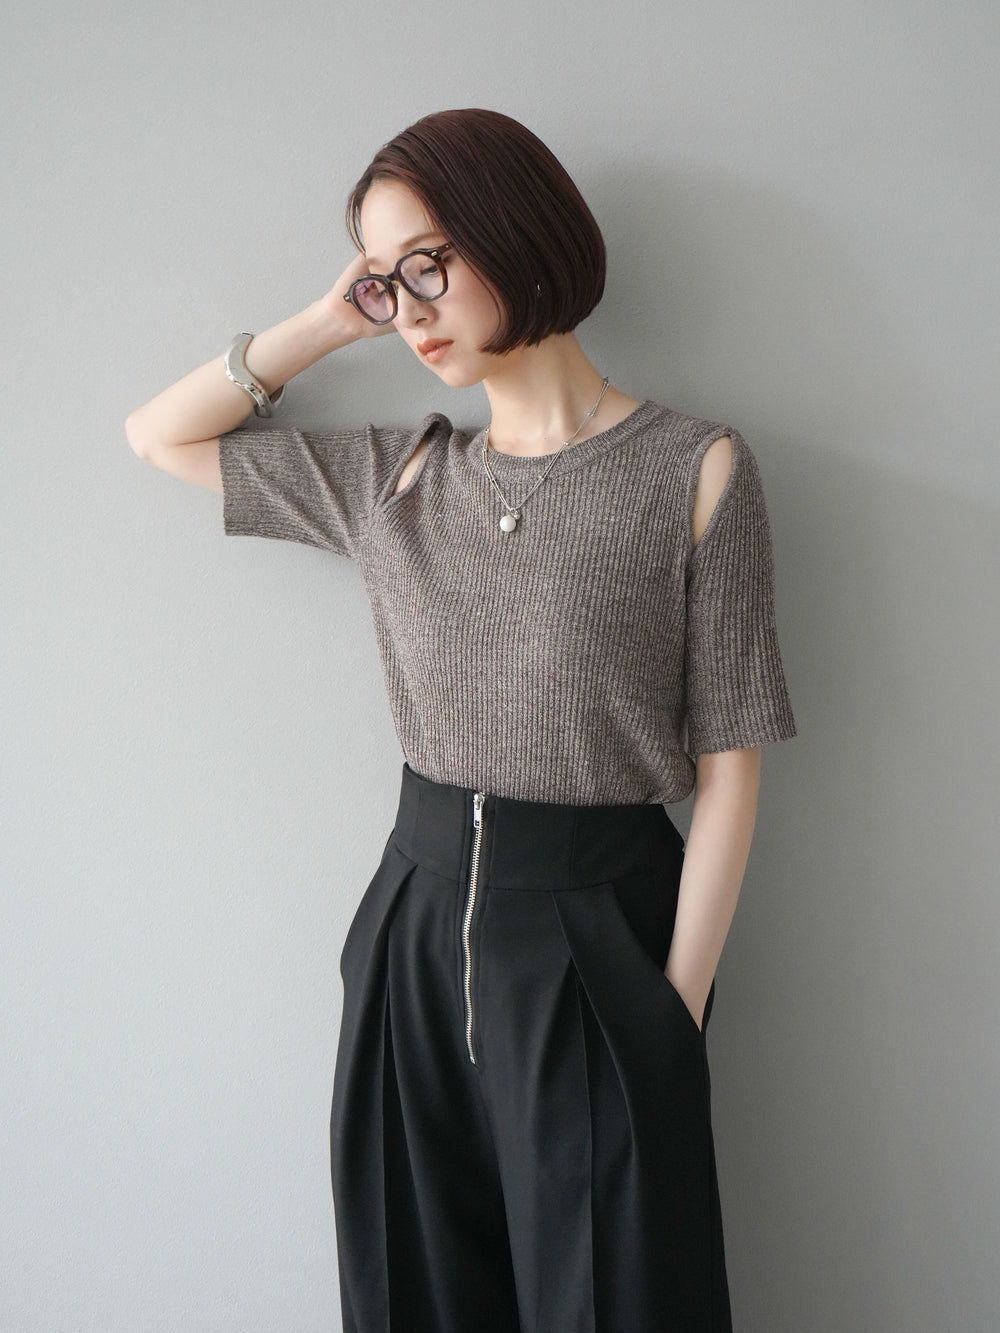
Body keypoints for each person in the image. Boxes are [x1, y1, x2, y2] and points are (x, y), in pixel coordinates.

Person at [125, 107, 797, 1333]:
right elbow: (157, 434)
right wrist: (331, 321)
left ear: (515, 229)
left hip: (602, 932)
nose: (409, 309)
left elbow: (731, 765)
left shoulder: (694, 468)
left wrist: (672, 1011)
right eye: (387, 281)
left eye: (428, 264)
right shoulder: (398, 479)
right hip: (412, 930)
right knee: (415, 1290)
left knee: (616, 1298)